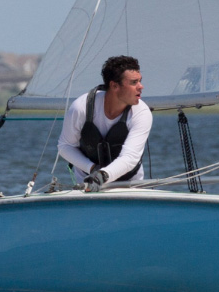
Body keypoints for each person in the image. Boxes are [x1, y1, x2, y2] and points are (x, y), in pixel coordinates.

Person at [57, 55, 153, 191]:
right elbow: (65, 146)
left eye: (140, 81)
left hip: (130, 186)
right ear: (114, 86)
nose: (141, 87)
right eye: (134, 82)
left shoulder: (141, 113)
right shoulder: (81, 107)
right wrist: (92, 169)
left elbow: (130, 157)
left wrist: (102, 175)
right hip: (87, 186)